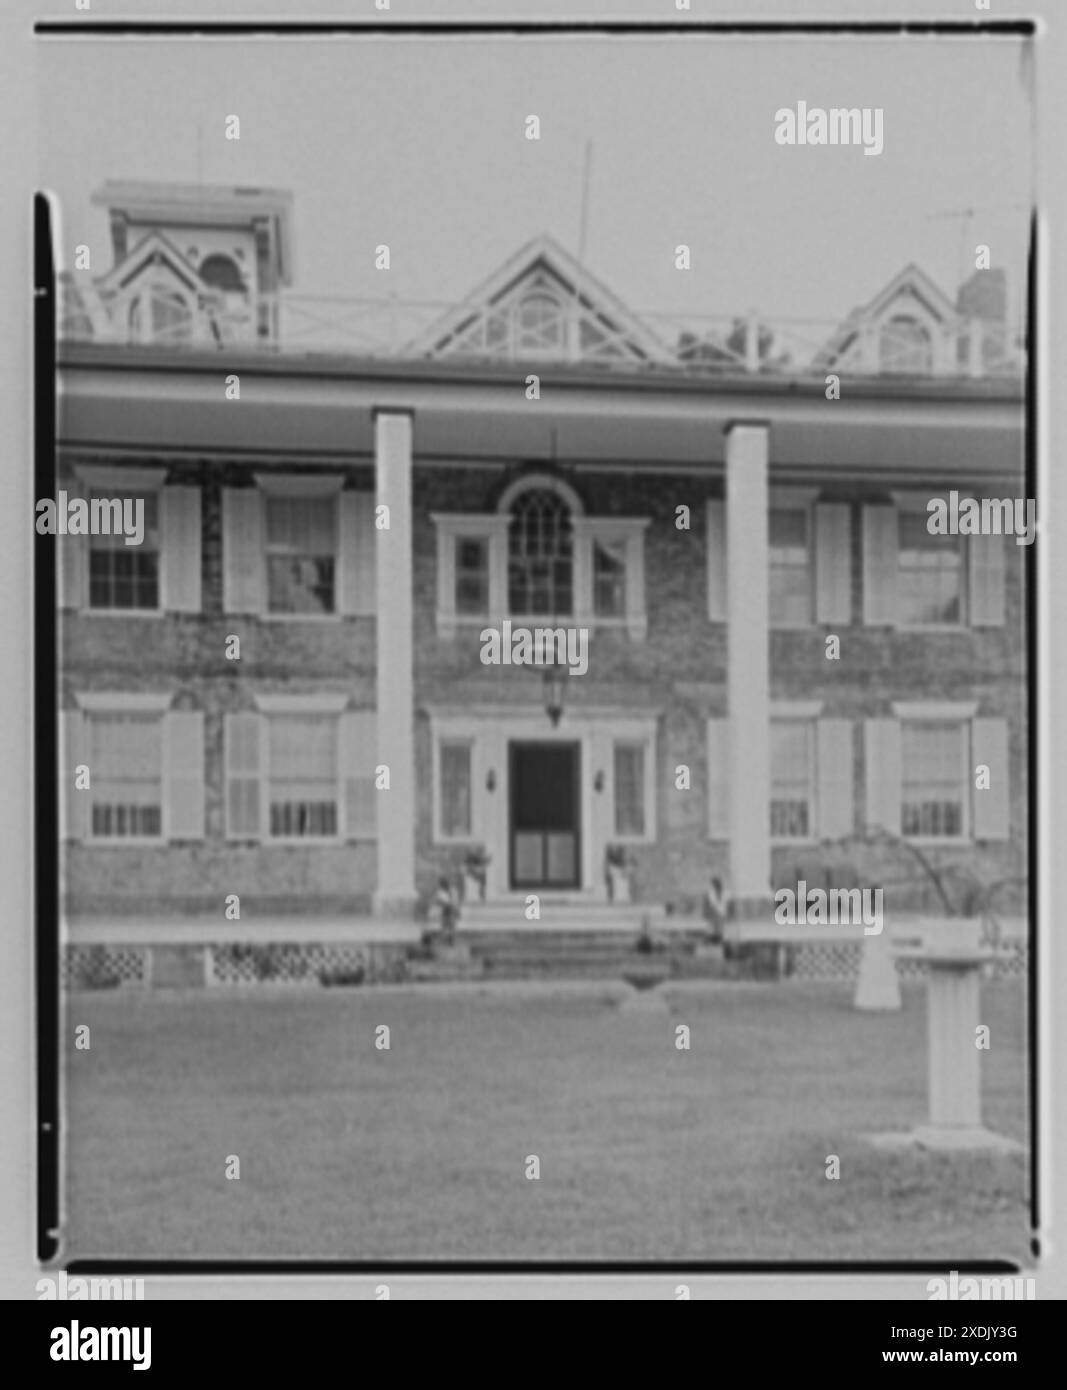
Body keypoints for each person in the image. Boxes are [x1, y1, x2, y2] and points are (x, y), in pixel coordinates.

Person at [434, 875, 460, 944]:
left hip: (451, 910)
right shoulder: (440, 892)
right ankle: (447, 939)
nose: (444, 885)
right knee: (446, 926)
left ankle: (451, 939)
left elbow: (455, 901)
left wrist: (456, 909)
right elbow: (438, 901)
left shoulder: (453, 890)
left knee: (451, 926)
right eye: (443, 883)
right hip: (446, 911)